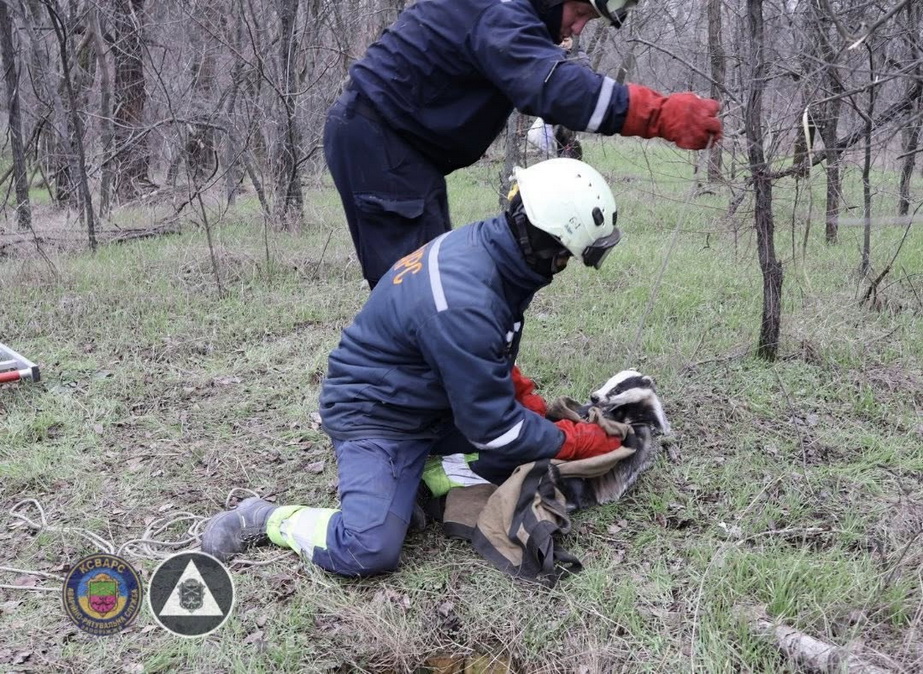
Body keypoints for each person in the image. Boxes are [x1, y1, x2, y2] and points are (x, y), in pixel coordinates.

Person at [202, 158, 630, 576]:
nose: (563, 266)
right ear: (541, 239)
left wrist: (519, 393)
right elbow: (493, 425)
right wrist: (573, 440)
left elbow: (481, 349)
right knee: (368, 547)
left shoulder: (496, 252)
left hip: (429, 399)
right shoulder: (466, 298)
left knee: (524, 450)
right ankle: (262, 518)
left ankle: (425, 479)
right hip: (376, 414)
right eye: (563, 256)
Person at [324, 0, 723, 288]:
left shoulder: (510, 15)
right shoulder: (498, 11)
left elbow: (552, 75)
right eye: (581, 12)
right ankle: (391, 403)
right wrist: (658, 113)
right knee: (413, 293)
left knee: (433, 282)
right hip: (380, 144)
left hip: (401, 150)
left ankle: (461, 388)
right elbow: (553, 87)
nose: (579, 28)